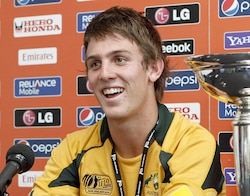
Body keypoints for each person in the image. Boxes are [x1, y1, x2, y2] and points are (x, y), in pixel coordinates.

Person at [29, 6, 226, 196]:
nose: (105, 74)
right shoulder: (73, 150)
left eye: (119, 59)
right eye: (95, 64)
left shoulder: (191, 143)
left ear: (153, 68)